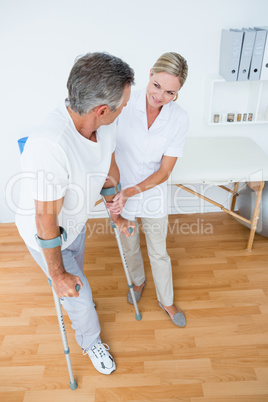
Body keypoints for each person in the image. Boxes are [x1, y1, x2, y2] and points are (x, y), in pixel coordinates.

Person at [15, 52, 135, 374]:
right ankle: (90, 339)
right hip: (48, 233)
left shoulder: (106, 125)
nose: (125, 109)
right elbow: (45, 219)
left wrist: (116, 213)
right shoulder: (50, 146)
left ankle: (76, 301)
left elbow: (109, 168)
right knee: (78, 293)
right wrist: (57, 275)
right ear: (102, 110)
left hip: (75, 222)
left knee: (76, 278)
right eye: (122, 105)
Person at [107, 52, 189, 327]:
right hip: (121, 188)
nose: (160, 96)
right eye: (157, 86)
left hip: (152, 192)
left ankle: (166, 300)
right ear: (150, 73)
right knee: (129, 245)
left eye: (170, 92)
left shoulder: (179, 119)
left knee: (159, 251)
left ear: (177, 93)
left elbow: (165, 171)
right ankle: (138, 282)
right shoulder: (124, 103)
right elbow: (109, 149)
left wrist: (133, 191)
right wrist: (115, 191)